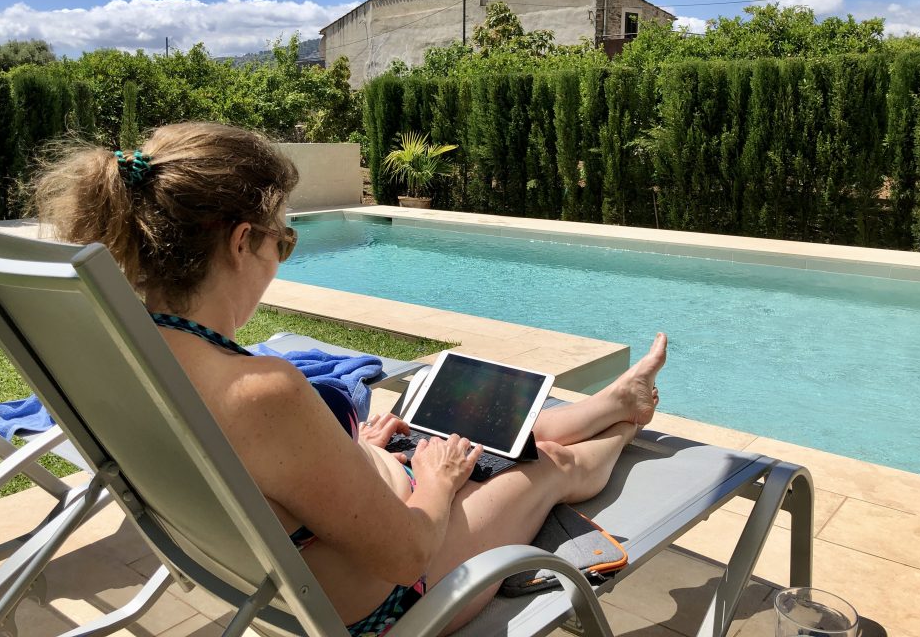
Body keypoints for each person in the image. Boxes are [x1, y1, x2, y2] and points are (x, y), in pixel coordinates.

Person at [35, 121, 667, 637]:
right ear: (239, 243)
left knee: (449, 429)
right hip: (387, 603)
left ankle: (611, 401)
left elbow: (272, 479)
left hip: (289, 562)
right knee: (547, 464)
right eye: (282, 241)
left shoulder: (122, 357)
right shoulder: (258, 390)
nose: (280, 258)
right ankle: (626, 424)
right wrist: (441, 483)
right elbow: (409, 554)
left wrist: (358, 454)